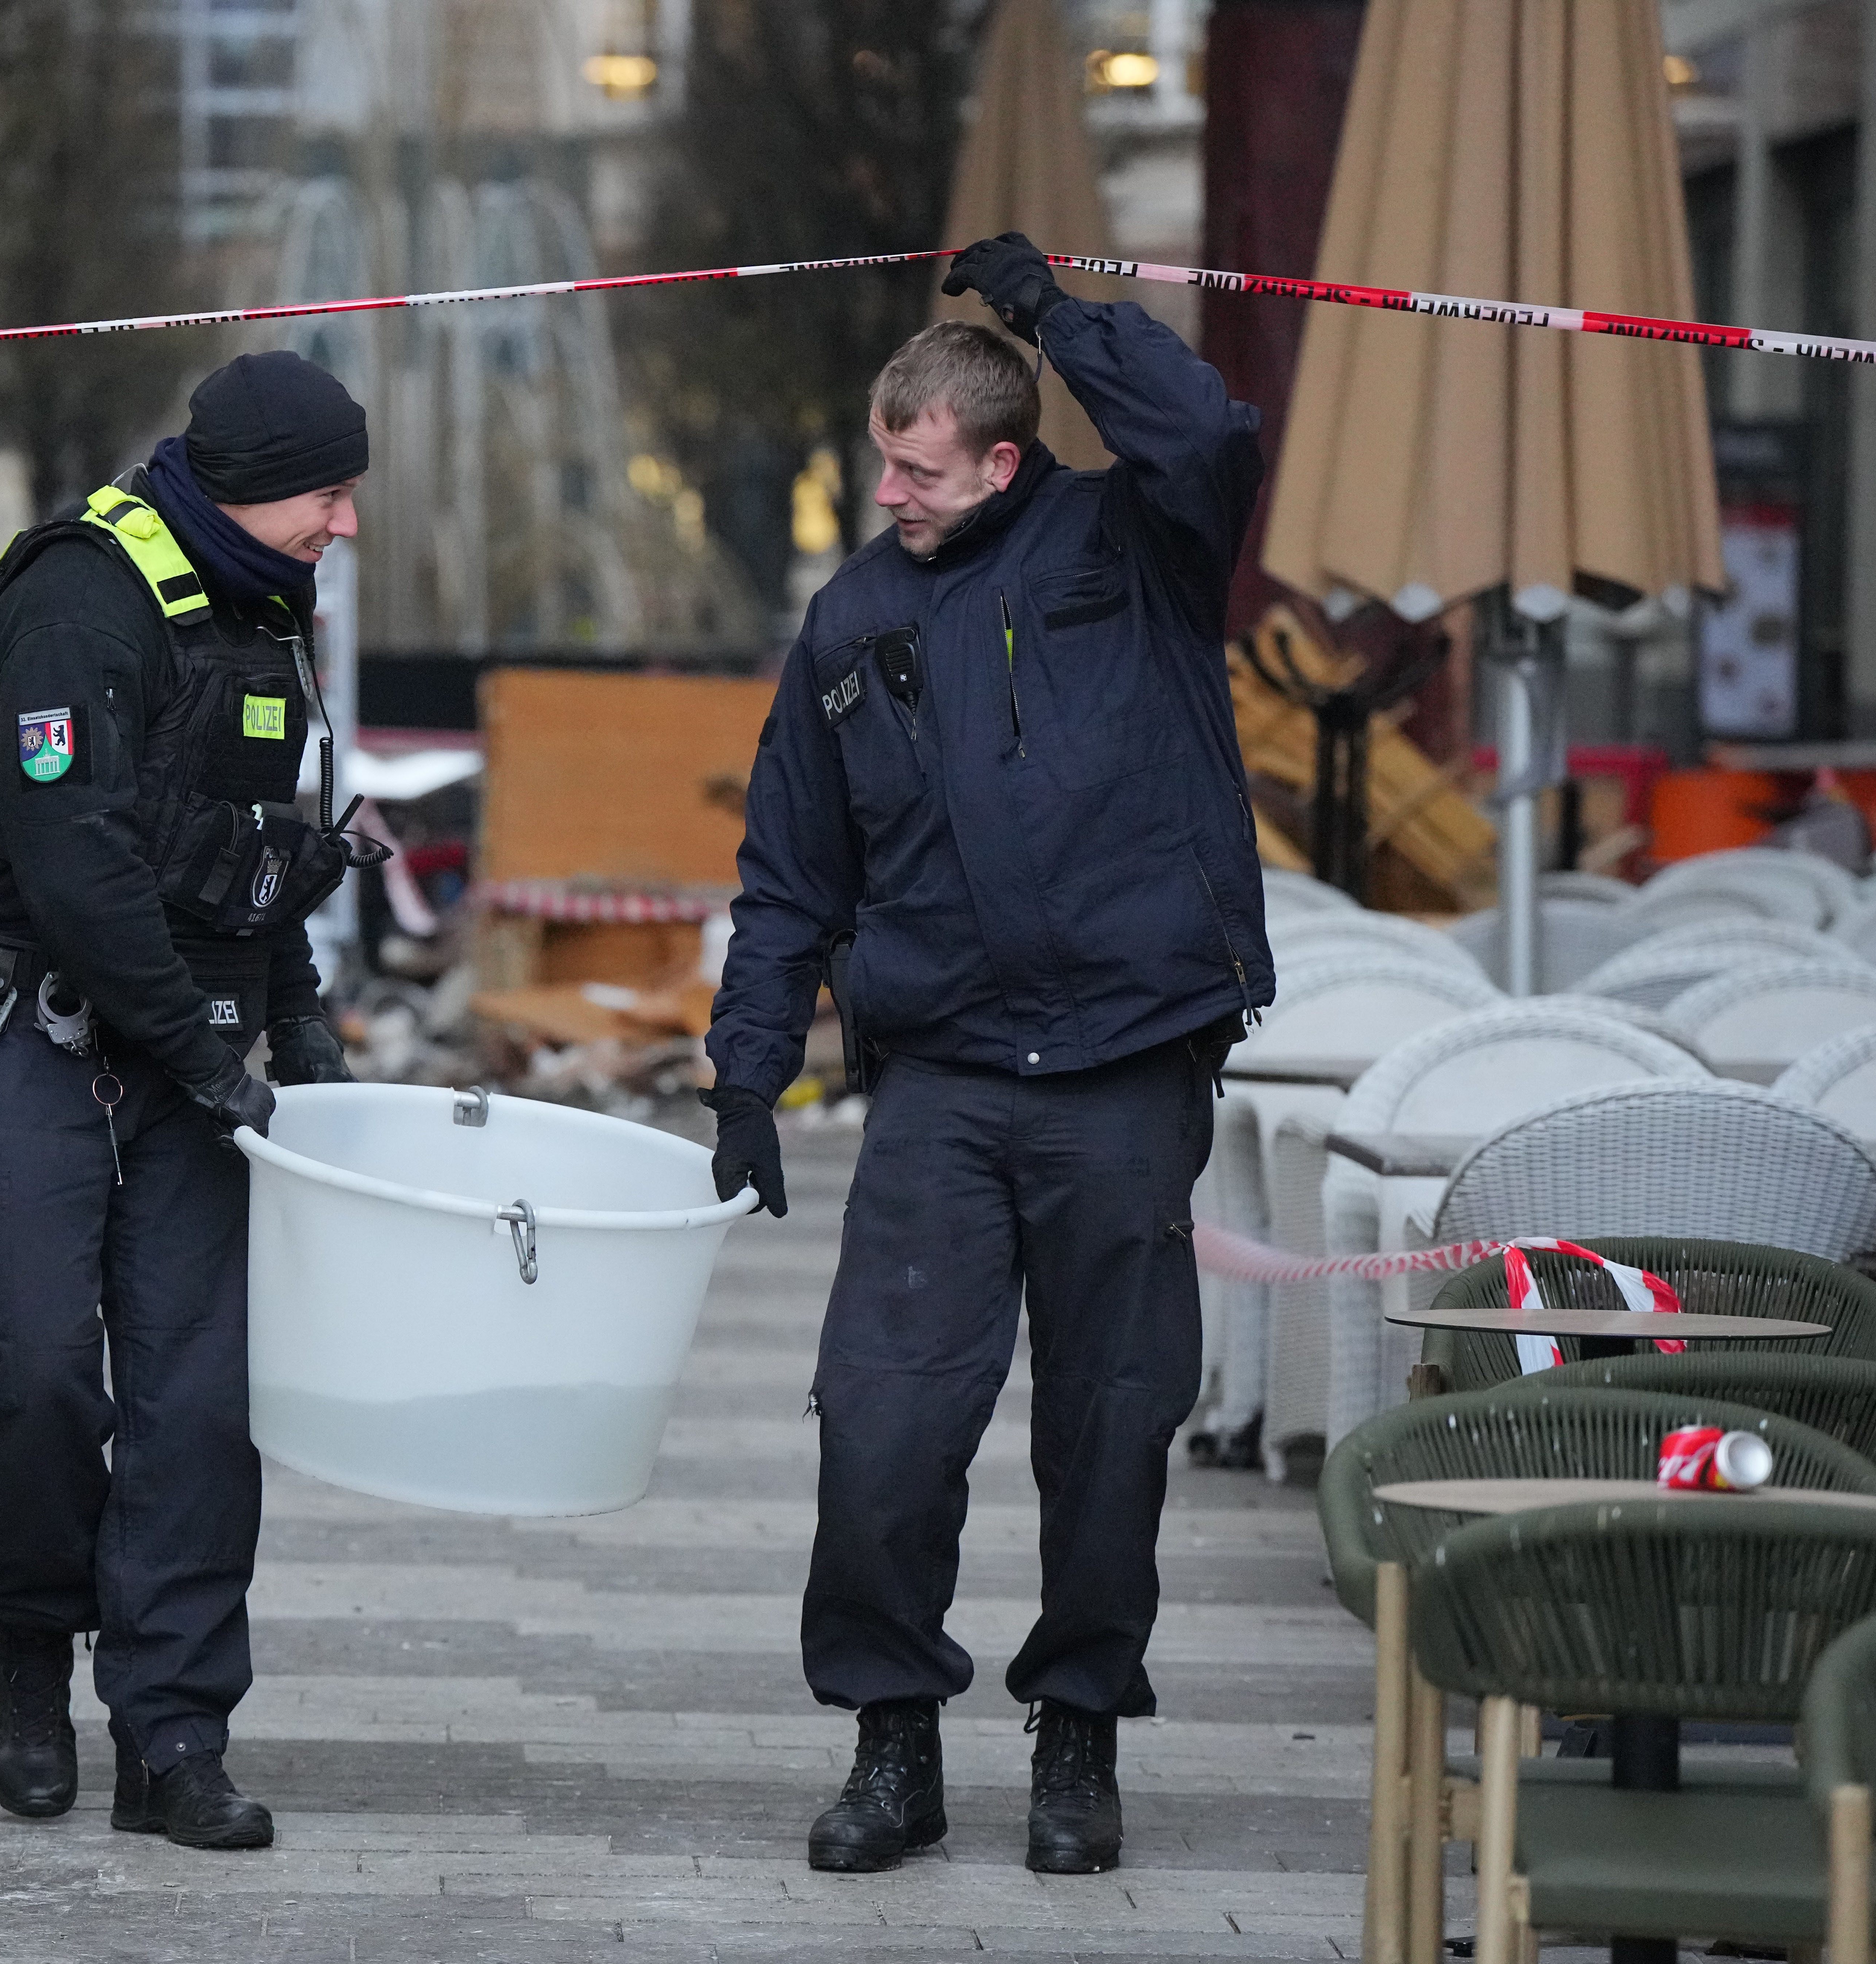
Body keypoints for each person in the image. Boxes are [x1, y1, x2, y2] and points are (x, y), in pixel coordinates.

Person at [700, 234, 1271, 1878]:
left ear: (1001, 454)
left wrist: (1046, 310)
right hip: (942, 1079)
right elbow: (790, 875)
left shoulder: (1139, 543)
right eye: (883, 457)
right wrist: (745, 1072)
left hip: (1125, 1063)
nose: (888, 487)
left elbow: (1206, 430)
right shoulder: (854, 616)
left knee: (1111, 1425)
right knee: (881, 1427)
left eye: (914, 462)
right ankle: (894, 1744)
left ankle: (1078, 1731)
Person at [0, 350, 376, 1852]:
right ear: (246, 483)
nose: (344, 523)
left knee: (196, 1410)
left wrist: (301, 1029)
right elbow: (75, 861)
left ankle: (172, 1733)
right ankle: (31, 1635)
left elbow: (257, 844)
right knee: (30, 1369)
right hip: (23, 1035)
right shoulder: (78, 598)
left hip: (192, 1050)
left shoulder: (266, 608)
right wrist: (205, 1054)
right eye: (328, 494)